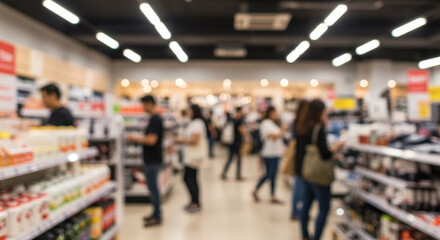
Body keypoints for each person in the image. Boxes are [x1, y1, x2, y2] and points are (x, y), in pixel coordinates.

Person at [295, 99, 344, 240]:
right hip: (319, 175)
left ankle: (304, 234)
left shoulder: (302, 126)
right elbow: (324, 153)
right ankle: (316, 237)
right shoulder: (318, 128)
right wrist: (336, 147)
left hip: (307, 171)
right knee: (323, 209)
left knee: (306, 204)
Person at [127, 95, 164, 227]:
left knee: (153, 188)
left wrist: (136, 138)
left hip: (153, 160)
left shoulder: (156, 120)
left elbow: (151, 140)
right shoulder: (153, 119)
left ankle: (157, 216)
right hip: (151, 159)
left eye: (143, 105)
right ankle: (155, 213)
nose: (142, 108)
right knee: (152, 188)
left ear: (149, 103)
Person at [175, 104, 208, 213]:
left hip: (193, 157)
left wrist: (181, 139)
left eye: (189, 110)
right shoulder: (194, 123)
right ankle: (194, 201)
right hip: (190, 156)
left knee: (189, 179)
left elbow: (195, 140)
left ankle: (196, 202)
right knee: (191, 178)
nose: (188, 112)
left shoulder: (197, 124)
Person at [252, 106, 286, 204]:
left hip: (275, 153)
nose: (276, 115)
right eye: (275, 113)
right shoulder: (266, 124)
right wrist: (282, 130)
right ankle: (256, 190)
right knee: (269, 174)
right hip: (269, 153)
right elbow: (273, 136)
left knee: (273, 175)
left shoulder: (272, 124)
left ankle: (272, 195)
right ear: (271, 113)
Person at [291, 100, 309, 220]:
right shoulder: (305, 124)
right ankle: (299, 211)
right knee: (301, 186)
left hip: (299, 156)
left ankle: (297, 211)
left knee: (299, 185)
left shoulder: (296, 122)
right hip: (304, 157)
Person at [221, 107, 248, 181]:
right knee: (238, 158)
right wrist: (247, 136)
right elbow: (241, 129)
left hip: (232, 142)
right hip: (236, 142)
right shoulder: (239, 120)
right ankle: (238, 174)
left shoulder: (232, 119)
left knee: (230, 158)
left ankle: (224, 173)